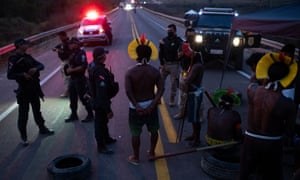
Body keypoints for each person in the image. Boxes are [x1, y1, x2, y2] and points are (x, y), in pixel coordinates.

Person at [239, 52, 298, 179]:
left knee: (245, 175)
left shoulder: (251, 90)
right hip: (272, 144)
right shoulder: (288, 104)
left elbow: (254, 79)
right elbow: (289, 132)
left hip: (250, 140)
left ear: (267, 73)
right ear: (287, 80)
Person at [7, 38, 54, 146]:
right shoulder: (13, 59)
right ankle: (24, 137)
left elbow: (41, 65)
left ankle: (42, 128)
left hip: (34, 88)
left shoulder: (28, 57)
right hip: (23, 90)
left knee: (37, 111)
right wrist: (22, 75)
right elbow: (10, 75)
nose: (27, 46)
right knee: (23, 114)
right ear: (19, 45)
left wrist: (35, 69)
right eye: (25, 44)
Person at [125, 34, 164, 165]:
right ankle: (152, 153)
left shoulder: (130, 72)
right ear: (150, 55)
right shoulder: (154, 71)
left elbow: (128, 92)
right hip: (150, 107)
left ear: (136, 54)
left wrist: (136, 106)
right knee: (153, 130)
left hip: (135, 108)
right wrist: (152, 105)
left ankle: (135, 157)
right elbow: (161, 90)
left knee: (135, 133)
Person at [87, 46, 117, 154]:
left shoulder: (92, 65)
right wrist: (108, 110)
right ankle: (101, 146)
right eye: (104, 54)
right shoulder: (99, 71)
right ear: (101, 57)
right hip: (100, 102)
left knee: (103, 121)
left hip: (97, 99)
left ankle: (106, 138)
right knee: (100, 123)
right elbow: (102, 93)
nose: (106, 56)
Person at [206, 91, 243, 161]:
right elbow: (238, 132)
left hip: (209, 141)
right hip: (225, 145)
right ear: (231, 105)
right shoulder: (235, 114)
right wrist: (240, 139)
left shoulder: (211, 110)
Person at [64, 37, 94, 123]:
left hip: (80, 79)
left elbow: (83, 66)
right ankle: (74, 114)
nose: (69, 45)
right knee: (72, 98)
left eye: (71, 44)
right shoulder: (72, 53)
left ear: (75, 44)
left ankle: (90, 114)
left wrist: (72, 70)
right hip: (72, 79)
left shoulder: (81, 53)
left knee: (83, 98)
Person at [181, 44, 205, 147]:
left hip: (194, 93)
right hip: (192, 92)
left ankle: (197, 139)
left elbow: (188, 80)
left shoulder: (196, 66)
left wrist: (185, 77)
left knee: (195, 117)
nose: (187, 56)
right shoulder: (194, 65)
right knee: (192, 115)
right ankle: (194, 134)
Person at [174, 27, 198, 119]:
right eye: (189, 36)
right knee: (183, 93)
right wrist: (185, 51)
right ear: (186, 35)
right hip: (185, 72)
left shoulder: (198, 45)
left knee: (195, 93)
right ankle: (182, 112)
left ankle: (195, 113)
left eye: (193, 36)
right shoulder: (182, 45)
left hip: (195, 73)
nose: (191, 37)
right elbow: (178, 56)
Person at [159, 24, 183, 106]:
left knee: (174, 84)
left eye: (171, 30)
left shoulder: (179, 41)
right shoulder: (164, 40)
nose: (169, 32)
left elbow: (181, 50)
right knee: (160, 82)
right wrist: (161, 64)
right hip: (165, 64)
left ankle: (172, 99)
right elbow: (161, 53)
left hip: (174, 65)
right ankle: (158, 98)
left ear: (175, 31)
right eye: (168, 30)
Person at [53, 31, 71, 97]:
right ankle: (70, 90)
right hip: (65, 61)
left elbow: (67, 53)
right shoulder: (63, 43)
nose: (59, 38)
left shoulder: (68, 43)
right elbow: (54, 48)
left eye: (60, 37)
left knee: (66, 77)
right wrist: (56, 49)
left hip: (67, 61)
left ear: (64, 36)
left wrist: (60, 51)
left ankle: (67, 92)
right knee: (67, 77)